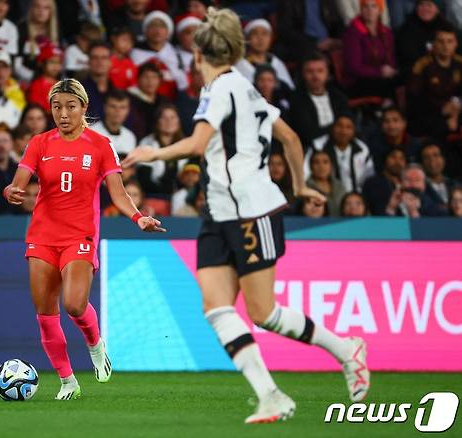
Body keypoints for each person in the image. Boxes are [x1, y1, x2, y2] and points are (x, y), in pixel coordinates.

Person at [123, 8, 369, 423]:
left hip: (252, 212)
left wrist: (153, 153)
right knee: (216, 308)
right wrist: (300, 182)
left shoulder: (219, 91)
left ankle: (346, 349)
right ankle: (269, 394)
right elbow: (289, 137)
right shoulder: (247, 88)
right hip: (219, 213)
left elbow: (198, 144)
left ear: (199, 54)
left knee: (263, 313)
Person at [4, 78, 164, 401]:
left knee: (75, 305)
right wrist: (11, 191)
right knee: (46, 313)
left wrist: (138, 217)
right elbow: (17, 182)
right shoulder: (39, 143)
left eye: (70, 106)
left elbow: (117, 193)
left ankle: (95, 344)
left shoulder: (100, 145)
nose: (63, 114)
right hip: (42, 235)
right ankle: (67, 381)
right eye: (56, 107)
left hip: (80, 235)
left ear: (84, 108)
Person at [408, 23, 462, 139]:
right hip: (430, 114)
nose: (445, 46)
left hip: (456, 110)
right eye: (441, 41)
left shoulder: (460, 63)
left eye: (450, 41)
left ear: (456, 44)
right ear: (433, 44)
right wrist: (442, 109)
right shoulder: (422, 65)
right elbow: (414, 99)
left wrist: (457, 107)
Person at [286, 52, 350, 148]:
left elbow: (347, 124)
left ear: (327, 73)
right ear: (303, 74)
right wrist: (335, 127)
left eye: (320, 71)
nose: (315, 76)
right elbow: (307, 133)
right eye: (310, 71)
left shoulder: (339, 97)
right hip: (308, 149)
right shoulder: (296, 100)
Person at [305, 114, 375, 193]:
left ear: (354, 130)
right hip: (323, 194)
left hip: (355, 197)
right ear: (332, 127)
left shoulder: (363, 149)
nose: (343, 131)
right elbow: (306, 173)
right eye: (339, 126)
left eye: (348, 127)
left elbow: (369, 178)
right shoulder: (318, 146)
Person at [342, 0, 398, 97]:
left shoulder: (386, 32)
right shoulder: (353, 32)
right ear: (361, 10)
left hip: (382, 76)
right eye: (365, 7)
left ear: (380, 10)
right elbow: (354, 67)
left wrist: (390, 70)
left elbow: (391, 57)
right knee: (387, 85)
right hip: (359, 81)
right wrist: (379, 72)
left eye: (374, 6)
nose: (369, 10)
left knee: (405, 78)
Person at [130, 10, 187, 98]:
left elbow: (183, 83)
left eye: (162, 26)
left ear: (168, 32)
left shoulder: (177, 55)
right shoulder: (134, 54)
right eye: (152, 26)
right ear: (145, 30)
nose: (157, 30)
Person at [136, 103, 185, 204]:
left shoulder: (185, 145)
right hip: (152, 197)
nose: (169, 122)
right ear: (157, 122)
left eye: (172, 117)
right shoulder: (147, 143)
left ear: (178, 121)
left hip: (180, 198)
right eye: (164, 118)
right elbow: (144, 180)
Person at [235, 19, 295, 93]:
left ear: (271, 38)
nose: (260, 38)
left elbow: (289, 92)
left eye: (264, 34)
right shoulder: (240, 66)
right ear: (247, 39)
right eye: (255, 34)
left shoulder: (277, 63)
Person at [275, 0, 345, 62]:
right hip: (303, 47)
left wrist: (338, 40)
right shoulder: (288, 2)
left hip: (329, 45)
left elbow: (338, 23)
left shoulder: (327, 1)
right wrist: (315, 44)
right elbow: (285, 31)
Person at [396, 0, 449, 76]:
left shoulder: (446, 29)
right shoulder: (406, 29)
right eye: (421, 4)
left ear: (437, 9)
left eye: (429, 5)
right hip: (414, 75)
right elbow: (406, 58)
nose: (425, 8)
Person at [366, 106, 421, 171]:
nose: (391, 125)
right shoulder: (372, 146)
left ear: (404, 123)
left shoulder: (416, 146)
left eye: (395, 120)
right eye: (386, 121)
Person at [127, 61, 170, 139]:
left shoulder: (165, 102)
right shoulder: (129, 100)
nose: (150, 81)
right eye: (146, 77)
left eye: (154, 77)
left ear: (159, 80)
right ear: (138, 79)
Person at [384, 164, 449, 216]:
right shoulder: (388, 201)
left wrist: (413, 212)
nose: (413, 184)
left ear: (424, 185)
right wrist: (391, 208)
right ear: (400, 182)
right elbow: (383, 230)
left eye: (417, 180)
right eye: (408, 180)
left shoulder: (435, 208)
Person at [17, 0, 59, 78]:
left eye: (46, 8)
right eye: (37, 6)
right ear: (31, 9)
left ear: (51, 11)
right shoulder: (21, 29)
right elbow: (16, 65)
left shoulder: (57, 31)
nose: (41, 11)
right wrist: (35, 78)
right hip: (25, 80)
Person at [362, 147, 407, 215]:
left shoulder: (408, 183)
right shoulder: (372, 184)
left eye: (401, 158)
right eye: (393, 157)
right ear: (385, 160)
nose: (398, 162)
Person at [91, 90, 137, 155]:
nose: (118, 111)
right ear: (105, 107)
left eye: (122, 107)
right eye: (113, 106)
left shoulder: (130, 136)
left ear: (128, 110)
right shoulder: (91, 133)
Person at [82, 42, 116, 120]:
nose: (99, 62)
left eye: (104, 58)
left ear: (110, 62)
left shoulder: (117, 91)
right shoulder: (77, 92)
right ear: (88, 61)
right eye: (95, 57)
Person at [306, 150, 347, 216]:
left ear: (331, 166)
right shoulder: (305, 188)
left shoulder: (340, 186)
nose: (321, 166)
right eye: (316, 162)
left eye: (325, 162)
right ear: (311, 167)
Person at [26, 42, 63, 114]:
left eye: (59, 62)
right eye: (52, 62)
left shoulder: (62, 85)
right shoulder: (36, 85)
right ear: (41, 64)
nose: (55, 66)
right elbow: (38, 111)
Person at [421, 142, 458, 209]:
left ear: (443, 159)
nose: (432, 160)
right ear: (422, 162)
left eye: (436, 155)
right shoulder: (420, 187)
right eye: (426, 157)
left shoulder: (456, 185)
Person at [176, 60, 205, 135]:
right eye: (198, 73)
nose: (202, 76)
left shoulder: (217, 97)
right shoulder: (178, 98)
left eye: (205, 72)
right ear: (190, 75)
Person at [108, 26, 138, 90]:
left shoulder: (131, 63)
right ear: (113, 39)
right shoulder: (105, 59)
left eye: (130, 41)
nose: (127, 44)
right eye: (124, 39)